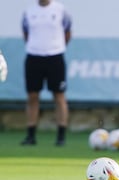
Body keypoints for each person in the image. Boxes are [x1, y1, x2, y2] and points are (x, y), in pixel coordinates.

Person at [20, 0, 72, 146]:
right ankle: (31, 135)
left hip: (55, 57)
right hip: (33, 57)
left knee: (59, 95)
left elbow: (67, 32)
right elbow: (26, 33)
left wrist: (55, 47)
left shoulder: (61, 10)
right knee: (32, 96)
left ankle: (61, 136)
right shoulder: (29, 12)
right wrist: (37, 47)